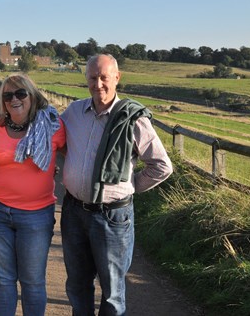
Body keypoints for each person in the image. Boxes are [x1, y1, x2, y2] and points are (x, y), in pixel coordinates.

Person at [60, 54, 173, 315]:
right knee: (77, 285)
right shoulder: (74, 112)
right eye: (92, 77)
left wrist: (131, 185)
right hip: (74, 211)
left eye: (103, 77)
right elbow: (54, 137)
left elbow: (162, 166)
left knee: (112, 293)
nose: (98, 83)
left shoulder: (132, 119)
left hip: (112, 216)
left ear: (117, 78)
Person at [0, 74, 66, 316]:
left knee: (33, 281)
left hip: (36, 216)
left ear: (31, 95)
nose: (14, 99)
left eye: (20, 94)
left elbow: (75, 157)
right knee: (3, 279)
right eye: (7, 95)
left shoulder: (52, 126)